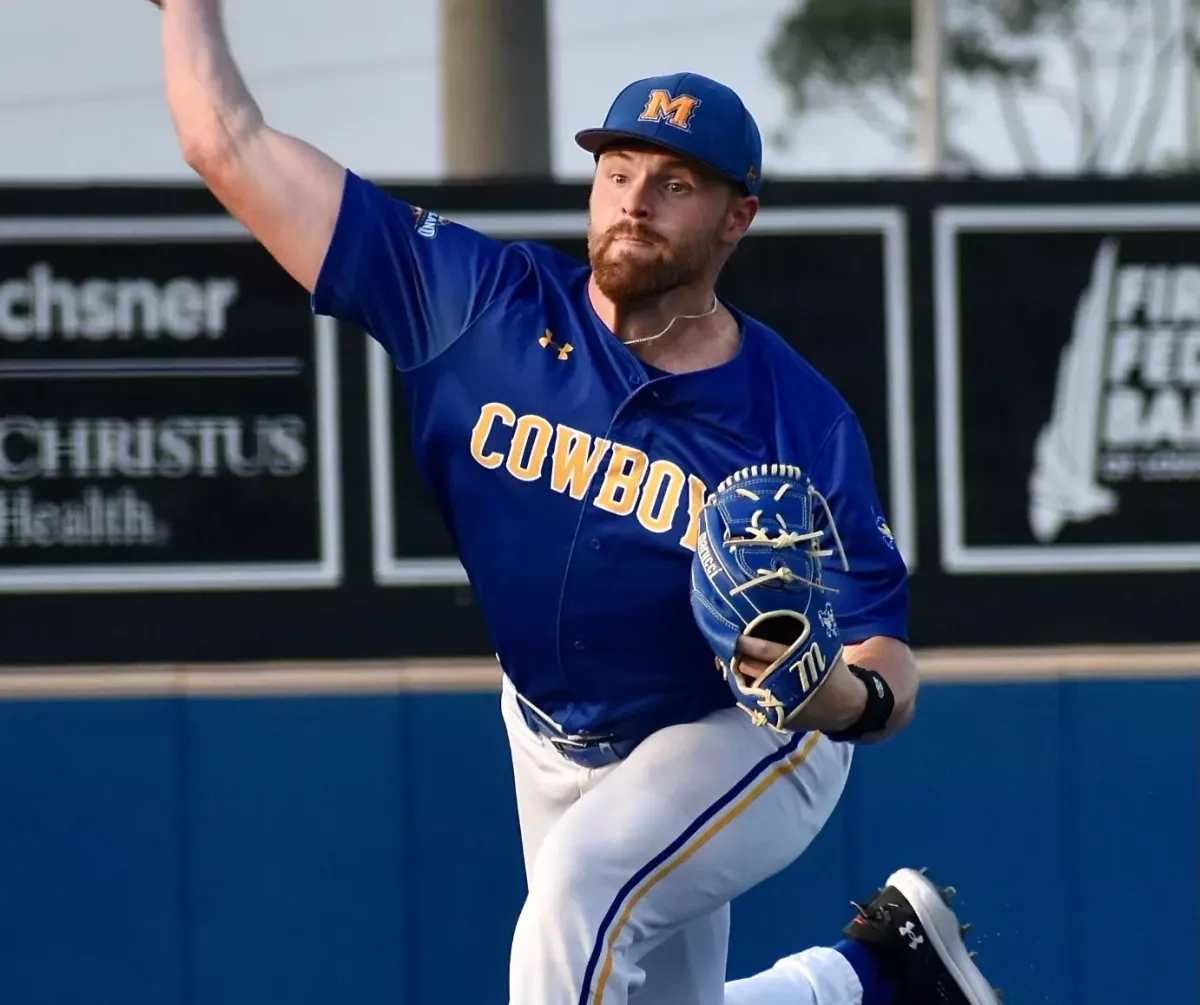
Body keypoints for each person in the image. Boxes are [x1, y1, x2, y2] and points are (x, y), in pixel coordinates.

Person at [151, 2, 1000, 1003]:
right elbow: (227, 142)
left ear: (738, 217)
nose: (635, 201)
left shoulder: (795, 421)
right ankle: (873, 981)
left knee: (576, 894)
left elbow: (885, 662)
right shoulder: (476, 306)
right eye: (617, 171)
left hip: (746, 732)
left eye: (674, 184)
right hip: (552, 729)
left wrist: (841, 698)